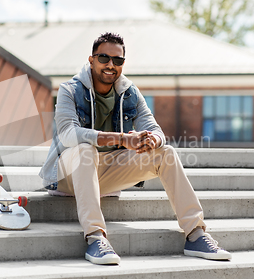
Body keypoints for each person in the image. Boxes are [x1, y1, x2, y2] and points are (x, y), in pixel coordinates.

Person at [39, 32, 231, 265]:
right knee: (85, 149)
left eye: (118, 61)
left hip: (105, 174)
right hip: (67, 174)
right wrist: (121, 138)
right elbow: (68, 135)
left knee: (166, 153)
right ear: (91, 60)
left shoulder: (130, 93)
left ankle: (195, 234)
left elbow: (156, 129)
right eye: (104, 58)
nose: (111, 65)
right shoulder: (70, 90)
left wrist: (152, 140)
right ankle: (95, 237)